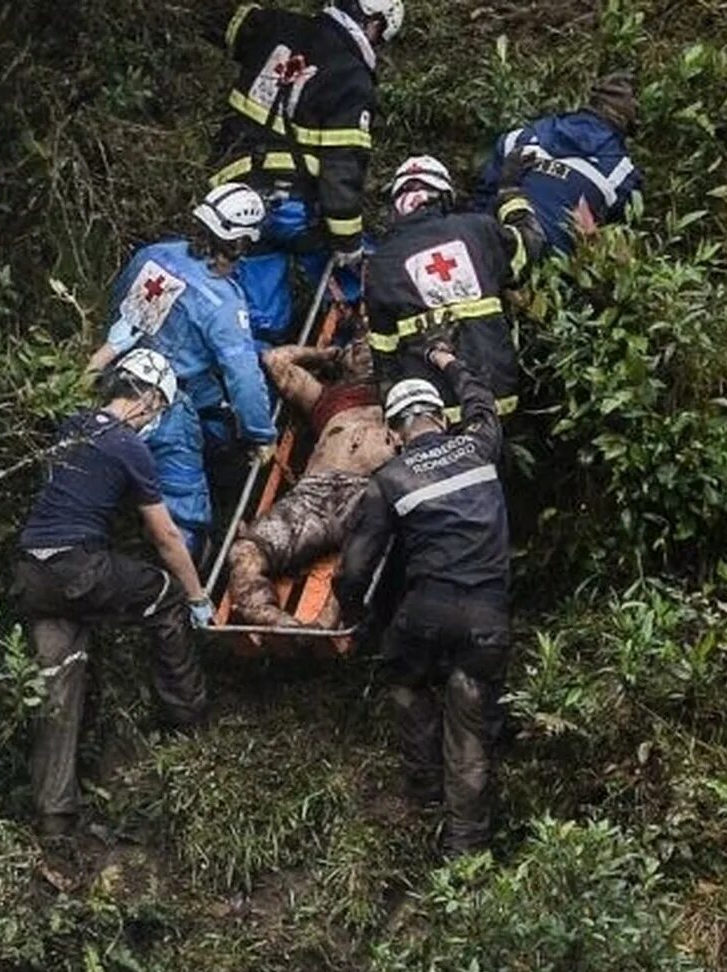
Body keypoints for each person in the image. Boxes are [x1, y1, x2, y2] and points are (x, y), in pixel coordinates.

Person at [14, 349, 214, 839]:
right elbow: (164, 536)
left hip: (30, 575)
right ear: (146, 398)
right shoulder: (129, 445)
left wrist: (107, 347)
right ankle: (191, 720)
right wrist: (196, 595)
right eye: (159, 407)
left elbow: (81, 380)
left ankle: (55, 818)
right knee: (163, 595)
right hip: (78, 567)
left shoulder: (71, 423)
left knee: (60, 680)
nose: (155, 417)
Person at [337, 343, 509, 857]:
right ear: (441, 417)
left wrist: (360, 620)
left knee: (406, 683)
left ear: (392, 433)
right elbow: (483, 403)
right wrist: (447, 359)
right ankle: (465, 849)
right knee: (471, 724)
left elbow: (354, 569)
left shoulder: (388, 480)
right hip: (487, 620)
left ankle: (424, 791)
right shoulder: (479, 446)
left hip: (424, 616)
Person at [92, 185, 280, 559]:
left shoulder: (154, 256)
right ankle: (181, 589)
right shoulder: (222, 303)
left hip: (114, 384)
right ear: (242, 243)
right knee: (185, 514)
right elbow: (243, 379)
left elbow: (121, 313)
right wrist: (260, 434)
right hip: (167, 407)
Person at [206, 0, 406, 339]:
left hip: (232, 195)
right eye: (380, 37)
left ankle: (261, 365)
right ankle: (355, 360)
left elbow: (218, 21)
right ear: (373, 23)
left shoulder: (274, 25)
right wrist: (347, 242)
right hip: (291, 209)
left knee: (261, 317)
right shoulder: (351, 76)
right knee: (366, 278)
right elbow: (342, 166)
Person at [221, 341, 392, 627]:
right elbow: (275, 359)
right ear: (342, 362)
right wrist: (325, 354)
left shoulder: (403, 396)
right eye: (355, 345)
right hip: (311, 496)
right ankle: (272, 618)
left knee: (359, 557)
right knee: (245, 551)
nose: (364, 348)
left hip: (367, 493)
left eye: (372, 344)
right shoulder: (328, 398)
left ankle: (326, 623)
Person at [365, 154, 544, 415]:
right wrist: (509, 192)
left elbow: (384, 353)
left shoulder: (381, 262)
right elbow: (529, 247)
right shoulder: (478, 229)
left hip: (434, 409)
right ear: (446, 197)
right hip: (496, 394)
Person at [476, 70, 643, 258]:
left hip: (482, 251)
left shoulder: (520, 137)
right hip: (548, 269)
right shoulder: (621, 172)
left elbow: (481, 197)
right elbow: (617, 236)